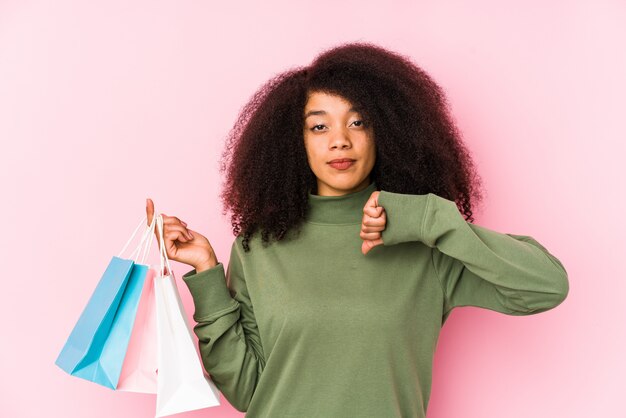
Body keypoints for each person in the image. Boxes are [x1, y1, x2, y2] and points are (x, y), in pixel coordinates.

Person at [145, 42, 569, 418]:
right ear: (296, 142)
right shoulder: (260, 245)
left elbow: (546, 286)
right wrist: (206, 273)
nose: (340, 141)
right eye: (319, 126)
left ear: (387, 131)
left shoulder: (428, 243)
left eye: (359, 122)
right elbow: (247, 391)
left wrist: (430, 220)